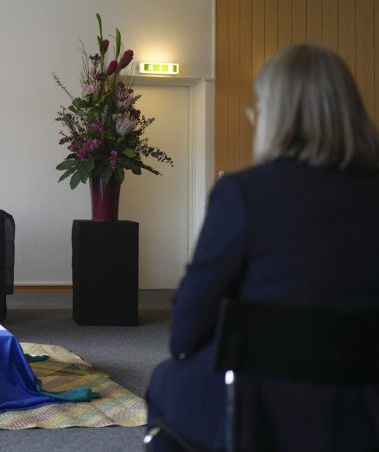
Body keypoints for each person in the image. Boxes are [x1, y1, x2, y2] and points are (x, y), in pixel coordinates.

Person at [145, 43, 379, 451]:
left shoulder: (245, 193)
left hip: (260, 407)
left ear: (277, 117)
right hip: (365, 407)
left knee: (164, 382)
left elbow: (185, 331)